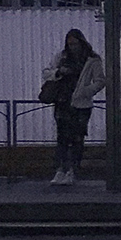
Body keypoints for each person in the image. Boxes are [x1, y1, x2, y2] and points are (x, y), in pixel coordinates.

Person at [42, 27, 106, 186]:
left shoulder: (92, 59)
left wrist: (86, 91)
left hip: (80, 103)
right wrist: (58, 72)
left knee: (77, 137)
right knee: (62, 137)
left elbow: (100, 81)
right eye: (70, 44)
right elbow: (46, 72)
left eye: (75, 44)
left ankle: (72, 170)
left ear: (82, 43)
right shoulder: (61, 57)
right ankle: (61, 169)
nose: (72, 47)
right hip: (63, 101)